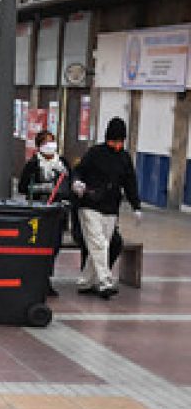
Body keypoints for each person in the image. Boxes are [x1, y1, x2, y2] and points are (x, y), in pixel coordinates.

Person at [71, 117, 141, 299]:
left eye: (120, 141)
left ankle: (85, 282)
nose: (117, 144)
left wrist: (136, 206)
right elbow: (78, 170)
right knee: (99, 243)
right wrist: (77, 182)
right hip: (89, 205)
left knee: (102, 245)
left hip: (111, 208)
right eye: (114, 140)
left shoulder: (124, 158)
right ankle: (105, 281)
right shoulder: (94, 153)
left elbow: (130, 182)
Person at [18, 129, 71, 298]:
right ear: (39, 146)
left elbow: (70, 183)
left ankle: (46, 277)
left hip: (57, 212)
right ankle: (38, 280)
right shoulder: (34, 164)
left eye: (52, 141)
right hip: (39, 211)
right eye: (46, 142)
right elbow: (22, 187)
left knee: (53, 246)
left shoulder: (62, 163)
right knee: (39, 246)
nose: (50, 145)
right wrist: (41, 188)